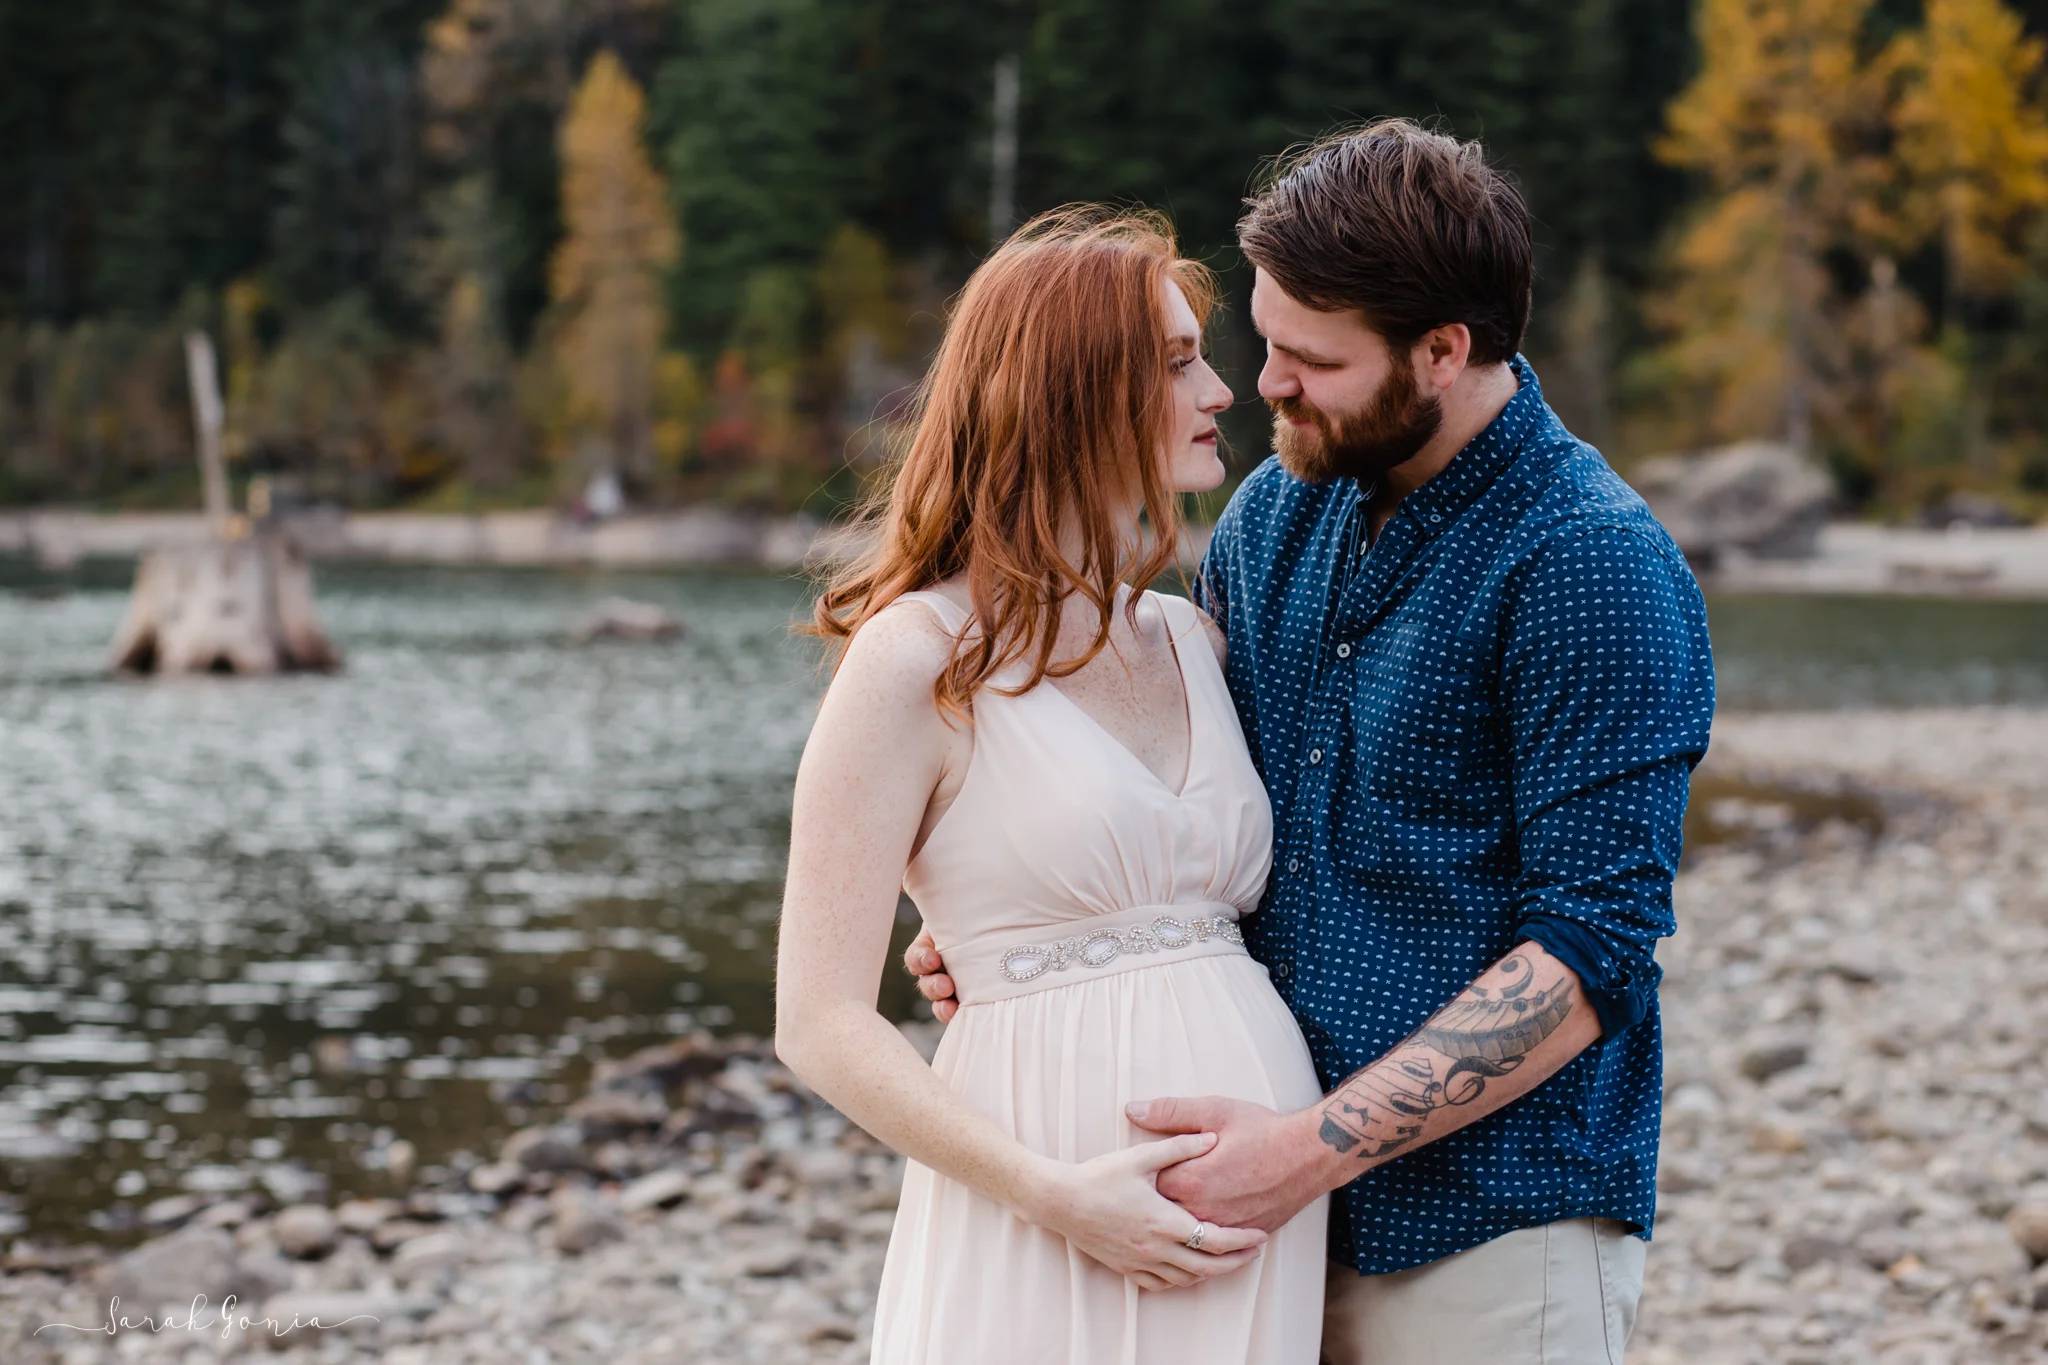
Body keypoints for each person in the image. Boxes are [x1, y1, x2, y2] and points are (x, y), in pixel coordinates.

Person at [909, 120, 1716, 1363]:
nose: (1262, 385)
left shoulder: (1589, 565)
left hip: (1486, 1228)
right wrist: (1015, 923)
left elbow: (1590, 949)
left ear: (1441, 351)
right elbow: (1183, 810)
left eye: (1310, 359)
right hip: (1252, 1232)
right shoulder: (1271, 516)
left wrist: (1302, 1151)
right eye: (1263, 342)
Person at [774, 207, 1330, 1365]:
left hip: (1251, 1216)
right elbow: (818, 1023)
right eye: (1177, 364)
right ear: (1073, 394)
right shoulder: (916, 658)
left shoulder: (1191, 638)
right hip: (1049, 1210)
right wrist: (1055, 1195)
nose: (1221, 390)